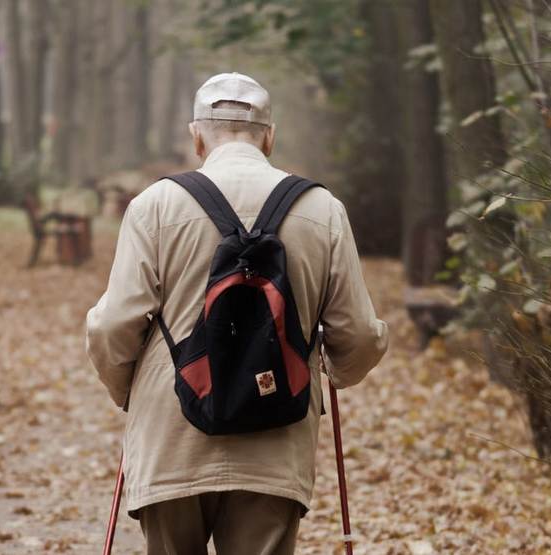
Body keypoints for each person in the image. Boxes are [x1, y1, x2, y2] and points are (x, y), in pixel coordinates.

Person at [86, 72, 388, 554]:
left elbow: (112, 325)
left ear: (196, 136)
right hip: (277, 436)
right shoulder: (323, 210)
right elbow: (359, 336)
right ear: (270, 136)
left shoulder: (155, 206)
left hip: (172, 438)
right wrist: (333, 369)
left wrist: (128, 389)